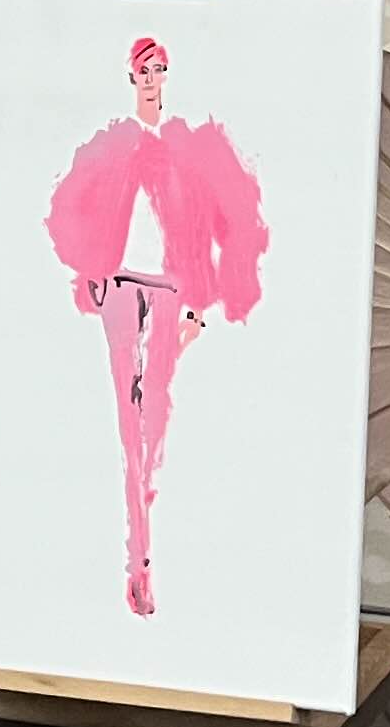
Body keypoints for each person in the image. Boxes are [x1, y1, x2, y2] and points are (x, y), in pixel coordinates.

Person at [42, 34, 268, 617]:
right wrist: (92, 273)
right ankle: (136, 564)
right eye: (143, 68)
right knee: (128, 417)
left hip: (170, 291)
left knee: (155, 415)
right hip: (119, 286)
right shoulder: (111, 141)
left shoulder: (187, 144)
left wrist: (198, 306)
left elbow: (219, 223)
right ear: (130, 76)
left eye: (159, 68)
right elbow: (66, 209)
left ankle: (144, 551)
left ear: (167, 75)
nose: (151, 77)